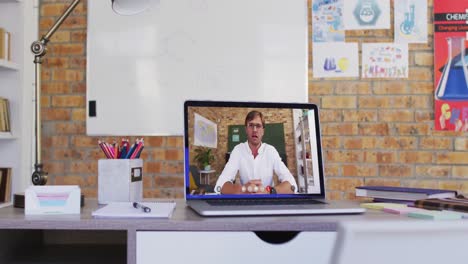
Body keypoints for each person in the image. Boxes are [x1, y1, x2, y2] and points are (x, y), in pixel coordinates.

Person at [214, 110, 297, 194]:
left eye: (258, 126)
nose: (254, 130)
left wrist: (268, 191)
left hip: (268, 200)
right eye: (251, 125)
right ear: (246, 129)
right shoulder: (238, 150)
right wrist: (243, 190)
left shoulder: (271, 151)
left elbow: (292, 185)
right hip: (246, 201)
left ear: (263, 131)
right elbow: (220, 186)